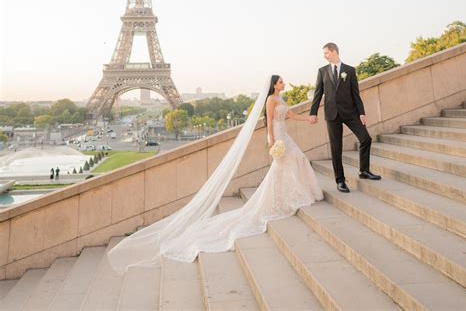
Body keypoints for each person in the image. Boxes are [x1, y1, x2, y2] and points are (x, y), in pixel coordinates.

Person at [107, 75, 323, 273]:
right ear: (274, 84)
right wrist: (270, 139)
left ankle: (290, 194)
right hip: (278, 136)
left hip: (285, 134)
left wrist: (309, 119)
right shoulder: (270, 101)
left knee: (292, 163)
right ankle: (286, 196)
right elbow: (268, 121)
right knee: (285, 166)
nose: (284, 83)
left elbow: (292, 114)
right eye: (281, 81)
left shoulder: (281, 99)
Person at [309, 42, 381, 192]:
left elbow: (356, 93)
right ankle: (340, 180)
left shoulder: (349, 70)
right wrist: (313, 113)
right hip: (332, 114)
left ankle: (364, 171)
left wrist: (361, 112)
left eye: (326, 53)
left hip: (350, 113)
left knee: (365, 138)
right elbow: (318, 93)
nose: (324, 56)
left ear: (334, 51)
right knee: (336, 149)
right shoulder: (322, 71)